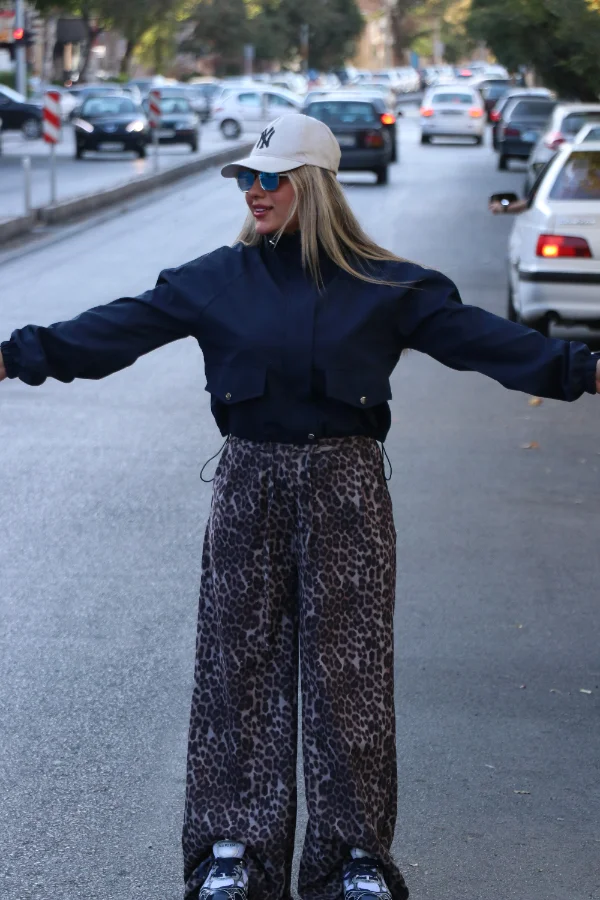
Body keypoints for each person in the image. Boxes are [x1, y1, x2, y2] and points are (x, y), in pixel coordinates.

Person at [2, 113, 599, 900]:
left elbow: (483, 340)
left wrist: (582, 370)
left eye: (270, 178)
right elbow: (114, 331)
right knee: (237, 670)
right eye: (246, 178)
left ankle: (353, 859)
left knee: (349, 675)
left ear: (312, 185)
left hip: (346, 490)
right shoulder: (215, 279)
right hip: (248, 486)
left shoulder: (386, 286)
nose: (253, 191)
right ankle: (235, 854)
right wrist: (13, 357)